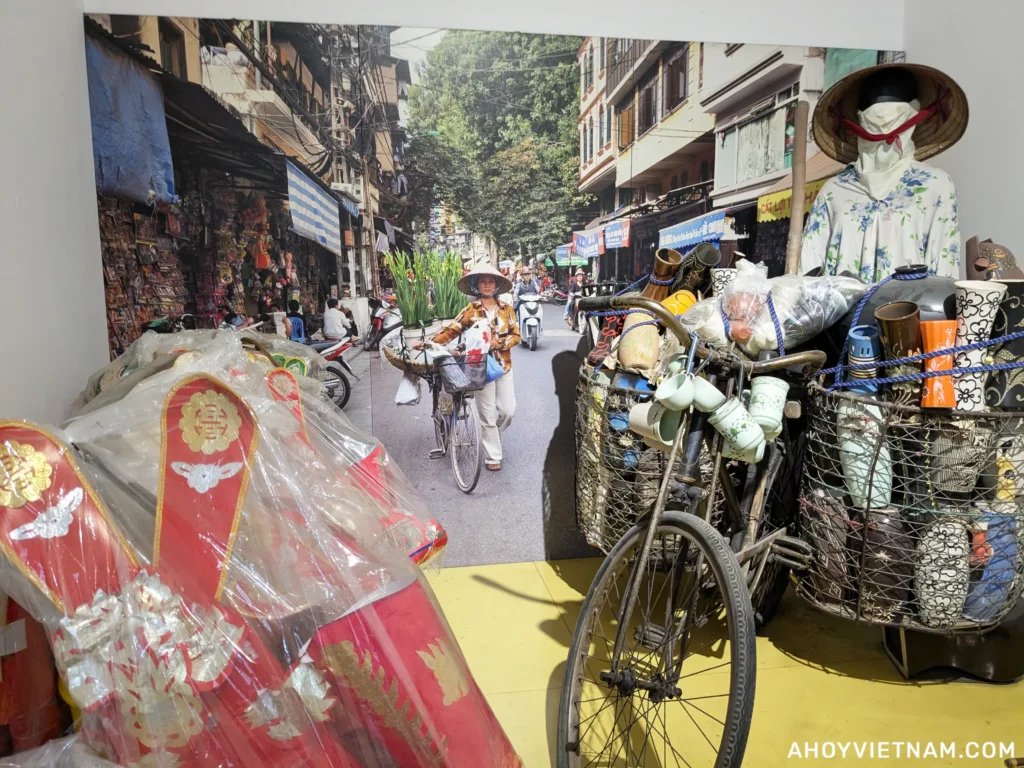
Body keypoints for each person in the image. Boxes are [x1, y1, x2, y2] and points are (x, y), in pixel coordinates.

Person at [426, 263, 520, 472]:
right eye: (483, 282)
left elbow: (516, 335)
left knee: (507, 411)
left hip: (503, 366)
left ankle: (491, 436)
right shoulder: (471, 310)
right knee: (487, 414)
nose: (487, 285)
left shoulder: (507, 309)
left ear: (496, 285)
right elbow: (451, 331)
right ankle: (493, 455)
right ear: (477, 286)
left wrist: (500, 344)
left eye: (491, 281)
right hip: (479, 368)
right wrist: (429, 343)